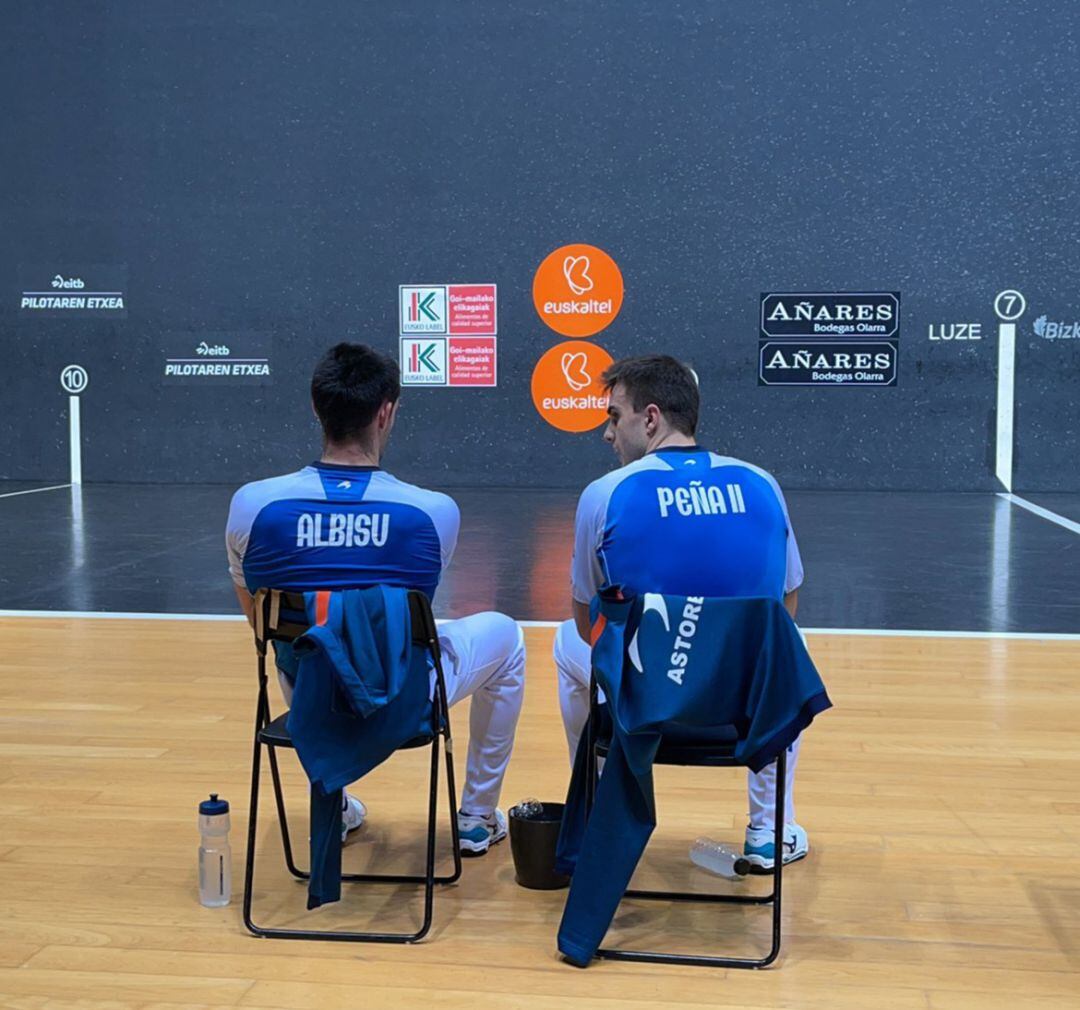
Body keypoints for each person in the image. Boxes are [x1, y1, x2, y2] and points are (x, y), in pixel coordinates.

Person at [226, 342, 525, 855]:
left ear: (317, 408)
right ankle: (476, 819)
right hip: (405, 698)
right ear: (386, 412)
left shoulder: (253, 505)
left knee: (306, 639)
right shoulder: (433, 513)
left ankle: (335, 804)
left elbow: (259, 623)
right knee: (507, 637)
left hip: (309, 694)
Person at [552, 354, 809, 870]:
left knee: (564, 640)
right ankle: (767, 830)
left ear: (650, 419)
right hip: (741, 709)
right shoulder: (762, 483)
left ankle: (604, 809)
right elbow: (787, 605)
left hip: (646, 702)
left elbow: (587, 623)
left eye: (612, 416)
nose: (606, 434)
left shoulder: (605, 494)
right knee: (786, 651)